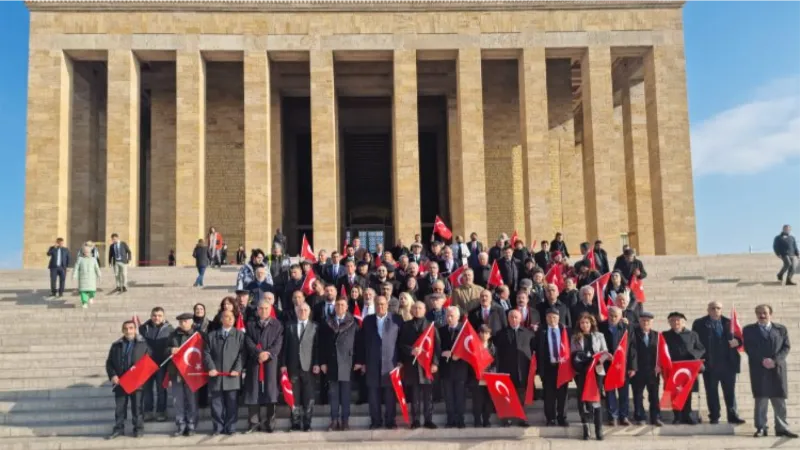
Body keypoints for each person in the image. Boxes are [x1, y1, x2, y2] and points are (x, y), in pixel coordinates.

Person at [743, 304, 797, 438]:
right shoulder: (749, 330)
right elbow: (749, 348)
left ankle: (782, 428)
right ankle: (761, 427)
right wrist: (762, 360)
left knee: (779, 399)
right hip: (759, 368)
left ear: (770, 314)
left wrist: (775, 361)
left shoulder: (780, 329)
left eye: (765, 313)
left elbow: (786, 347)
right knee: (761, 400)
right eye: (759, 313)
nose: (762, 315)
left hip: (777, 368)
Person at [691, 301, 745, 425]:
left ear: (721, 310)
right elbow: (694, 342)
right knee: (711, 392)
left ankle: (733, 415)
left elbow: (740, 338)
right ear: (708, 310)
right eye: (713, 308)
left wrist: (738, 342)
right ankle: (714, 416)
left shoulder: (729, 322)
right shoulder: (699, 323)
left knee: (730, 392)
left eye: (718, 308)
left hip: (728, 364)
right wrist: (698, 360)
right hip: (710, 365)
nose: (715, 310)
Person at [357, 295, 403, 429]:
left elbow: (401, 342)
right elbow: (362, 343)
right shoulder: (368, 320)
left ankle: (390, 421)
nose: (380, 306)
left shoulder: (396, 320)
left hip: (391, 364)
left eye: (383, 304)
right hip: (372, 363)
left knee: (390, 395)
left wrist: (400, 361)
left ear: (387, 305)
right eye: (377, 304)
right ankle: (375, 421)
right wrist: (362, 362)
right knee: (373, 395)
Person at [243, 299, 284, 433]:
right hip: (255, 362)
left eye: (266, 308)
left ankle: (270, 423)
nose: (263, 311)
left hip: (271, 363)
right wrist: (258, 353)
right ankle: (253, 422)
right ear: (257, 310)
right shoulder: (250, 324)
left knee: (270, 391)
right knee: (253, 391)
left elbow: (278, 343)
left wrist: (269, 354)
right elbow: (248, 341)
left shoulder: (277, 325)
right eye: (261, 308)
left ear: (270, 309)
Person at [105, 320, 151, 440]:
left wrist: (140, 377)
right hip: (120, 382)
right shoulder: (116, 345)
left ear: (135, 329)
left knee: (137, 407)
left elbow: (148, 363)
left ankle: (138, 429)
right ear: (122, 330)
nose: (128, 331)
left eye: (131, 328)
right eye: (125, 328)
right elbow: (109, 363)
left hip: (136, 382)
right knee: (120, 408)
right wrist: (113, 375)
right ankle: (119, 428)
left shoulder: (143, 345)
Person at [398, 301, 440, 429]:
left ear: (425, 310)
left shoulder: (431, 326)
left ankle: (428, 419)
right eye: (415, 308)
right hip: (412, 364)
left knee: (428, 395)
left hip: (426, 365)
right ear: (411, 310)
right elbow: (401, 344)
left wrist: (435, 363)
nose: (417, 310)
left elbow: (437, 346)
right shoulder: (405, 326)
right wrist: (411, 350)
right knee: (414, 394)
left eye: (420, 308)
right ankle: (415, 420)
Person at [319, 296, 359, 431]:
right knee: (333, 394)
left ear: (347, 307)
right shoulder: (327, 322)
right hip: (332, 362)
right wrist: (323, 362)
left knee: (346, 394)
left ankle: (345, 421)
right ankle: (334, 420)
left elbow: (359, 344)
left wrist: (359, 361)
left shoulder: (353, 322)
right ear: (334, 307)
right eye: (338, 305)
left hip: (347, 362)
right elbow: (322, 345)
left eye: (343, 305)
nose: (340, 307)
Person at [204, 310, 244, 436]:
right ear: (221, 320)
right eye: (227, 317)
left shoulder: (239, 335)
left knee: (232, 403)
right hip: (216, 376)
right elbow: (206, 353)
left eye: (232, 317)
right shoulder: (212, 335)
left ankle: (231, 427)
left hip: (232, 377)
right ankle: (218, 427)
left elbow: (242, 354)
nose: (230, 319)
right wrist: (211, 367)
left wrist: (237, 369)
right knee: (216, 404)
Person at [280, 302, 319, 431]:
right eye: (300, 310)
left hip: (309, 367)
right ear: (296, 311)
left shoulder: (315, 327)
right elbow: (284, 347)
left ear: (309, 312)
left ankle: (307, 423)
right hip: (293, 367)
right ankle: (295, 423)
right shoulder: (289, 326)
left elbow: (317, 348)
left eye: (305, 310)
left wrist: (317, 363)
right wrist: (283, 364)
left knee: (309, 397)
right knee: (294, 397)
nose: (302, 312)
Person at [571, 313, 609, 440]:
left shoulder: (599, 336)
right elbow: (573, 355)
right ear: (579, 325)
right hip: (582, 372)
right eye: (582, 323)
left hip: (596, 371)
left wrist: (599, 360)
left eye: (587, 322)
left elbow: (605, 353)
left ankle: (599, 429)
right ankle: (586, 428)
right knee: (582, 400)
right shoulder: (575, 337)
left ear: (591, 323)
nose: (585, 325)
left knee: (596, 400)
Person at [494, 309, 535, 427]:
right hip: (506, 368)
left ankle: (521, 417)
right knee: (506, 395)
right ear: (508, 319)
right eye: (511, 317)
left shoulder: (528, 333)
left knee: (522, 394)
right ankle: (506, 419)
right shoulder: (501, 334)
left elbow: (532, 350)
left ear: (521, 319)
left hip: (523, 369)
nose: (514, 319)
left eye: (516, 317)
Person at [662, 311, 705, 425]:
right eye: (673, 320)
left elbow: (701, 349)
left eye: (678, 320)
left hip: (688, 369)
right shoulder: (665, 335)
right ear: (669, 323)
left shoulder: (692, 335)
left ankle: (688, 416)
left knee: (687, 392)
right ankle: (677, 416)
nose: (676, 322)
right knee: (674, 393)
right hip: (673, 369)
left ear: (683, 322)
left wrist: (692, 355)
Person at [166, 313, 200, 437]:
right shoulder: (173, 335)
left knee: (192, 400)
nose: (183, 323)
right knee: (178, 400)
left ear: (191, 322)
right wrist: (170, 350)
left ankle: (191, 425)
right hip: (177, 372)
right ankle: (181, 425)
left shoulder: (198, 335)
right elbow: (165, 350)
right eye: (181, 322)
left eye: (185, 321)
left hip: (192, 372)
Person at [535, 308, 569, 427]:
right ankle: (551, 418)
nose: (552, 319)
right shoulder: (541, 331)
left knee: (562, 395)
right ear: (546, 318)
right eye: (549, 317)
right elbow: (537, 350)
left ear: (559, 318)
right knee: (549, 395)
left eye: (554, 317)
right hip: (548, 367)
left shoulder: (565, 330)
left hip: (562, 368)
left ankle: (562, 417)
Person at [139, 307, 173, 423]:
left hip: (162, 364)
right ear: (151, 316)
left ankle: (161, 412)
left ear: (164, 317)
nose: (156, 318)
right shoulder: (143, 328)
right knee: (147, 389)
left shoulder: (170, 329)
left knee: (161, 389)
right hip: (147, 364)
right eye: (154, 315)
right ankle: (148, 412)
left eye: (159, 315)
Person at [438, 306, 469, 428]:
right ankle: (450, 419)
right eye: (447, 316)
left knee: (460, 396)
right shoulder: (441, 330)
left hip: (460, 368)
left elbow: (469, 347)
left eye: (451, 316)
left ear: (457, 317)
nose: (449, 318)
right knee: (449, 396)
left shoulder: (464, 330)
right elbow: (437, 348)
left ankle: (460, 419)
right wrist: (442, 353)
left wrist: (459, 355)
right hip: (446, 369)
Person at [599, 306, 631, 426]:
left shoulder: (626, 328)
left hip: (622, 365)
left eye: (615, 316)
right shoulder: (601, 326)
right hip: (607, 365)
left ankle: (624, 416)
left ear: (621, 317)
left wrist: (632, 367)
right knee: (610, 391)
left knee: (624, 392)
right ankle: (613, 416)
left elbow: (632, 348)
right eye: (611, 315)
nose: (613, 318)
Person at [628, 311, 661, 426]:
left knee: (654, 396)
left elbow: (661, 353)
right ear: (639, 322)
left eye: (648, 321)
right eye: (643, 321)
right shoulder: (633, 334)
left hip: (653, 371)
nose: (645, 323)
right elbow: (632, 351)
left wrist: (660, 365)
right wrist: (632, 367)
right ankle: (640, 417)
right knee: (638, 395)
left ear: (651, 323)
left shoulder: (657, 335)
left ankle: (655, 417)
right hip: (638, 370)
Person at [471, 324, 496, 427]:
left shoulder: (493, 348)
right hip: (477, 377)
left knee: (488, 400)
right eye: (482, 332)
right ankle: (477, 420)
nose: (484, 335)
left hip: (489, 378)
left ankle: (486, 420)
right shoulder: (474, 347)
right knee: (477, 400)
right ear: (478, 334)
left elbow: (496, 363)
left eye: (486, 333)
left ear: (489, 335)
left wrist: (491, 372)